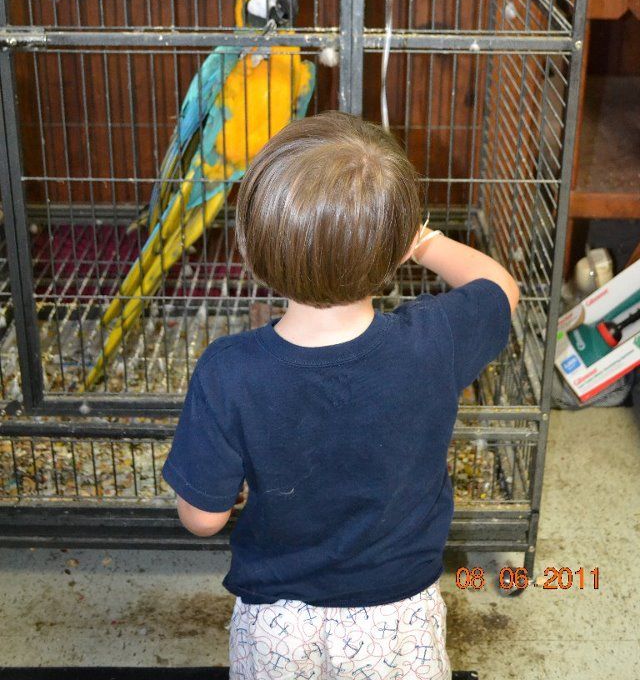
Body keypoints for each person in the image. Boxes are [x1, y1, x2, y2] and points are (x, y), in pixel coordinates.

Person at [162, 111, 519, 680]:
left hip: (277, 624)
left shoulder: (227, 371)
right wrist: (424, 241)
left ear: (252, 252)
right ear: (395, 249)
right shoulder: (436, 340)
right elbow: (500, 287)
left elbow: (203, 518)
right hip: (400, 619)